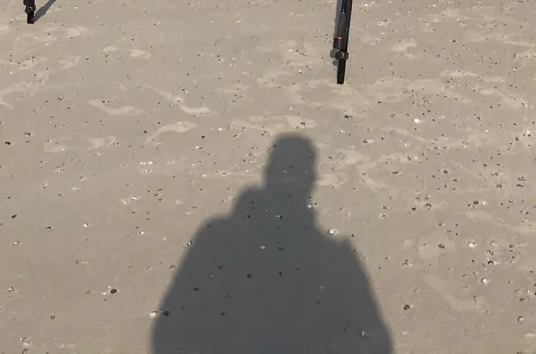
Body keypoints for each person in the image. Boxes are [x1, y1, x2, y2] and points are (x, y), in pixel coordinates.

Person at [151, 133, 393, 354]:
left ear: (267, 174)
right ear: (312, 181)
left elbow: (168, 328)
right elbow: (376, 340)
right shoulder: (337, 258)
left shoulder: (215, 237)